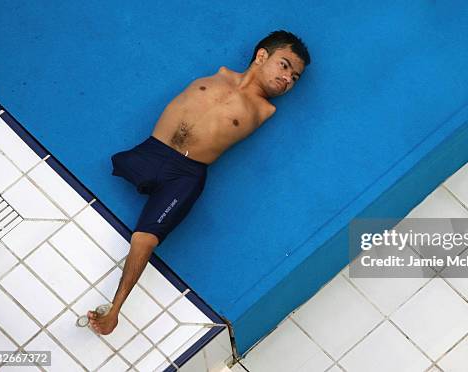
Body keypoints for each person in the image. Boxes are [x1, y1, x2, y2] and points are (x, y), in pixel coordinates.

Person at [88, 30, 311, 334]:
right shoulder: (219, 74)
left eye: (295, 78)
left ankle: (115, 310)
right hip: (151, 151)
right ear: (261, 55)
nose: (288, 79)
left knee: (146, 238)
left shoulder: (264, 109)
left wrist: (113, 311)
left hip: (185, 176)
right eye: (285, 66)